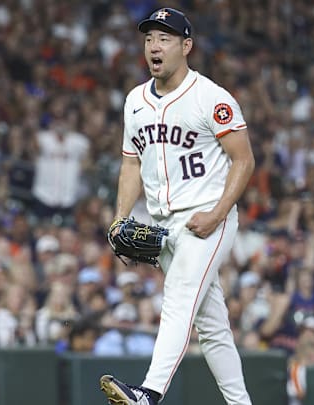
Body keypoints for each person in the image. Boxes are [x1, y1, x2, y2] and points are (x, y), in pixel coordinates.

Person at [99, 7, 255, 405]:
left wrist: (218, 214)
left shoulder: (211, 98)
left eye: (164, 38)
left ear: (186, 46)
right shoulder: (135, 100)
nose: (154, 45)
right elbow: (131, 162)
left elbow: (244, 159)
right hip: (165, 224)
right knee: (212, 326)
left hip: (207, 216)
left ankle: (149, 393)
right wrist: (121, 216)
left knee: (180, 295)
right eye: (150, 38)